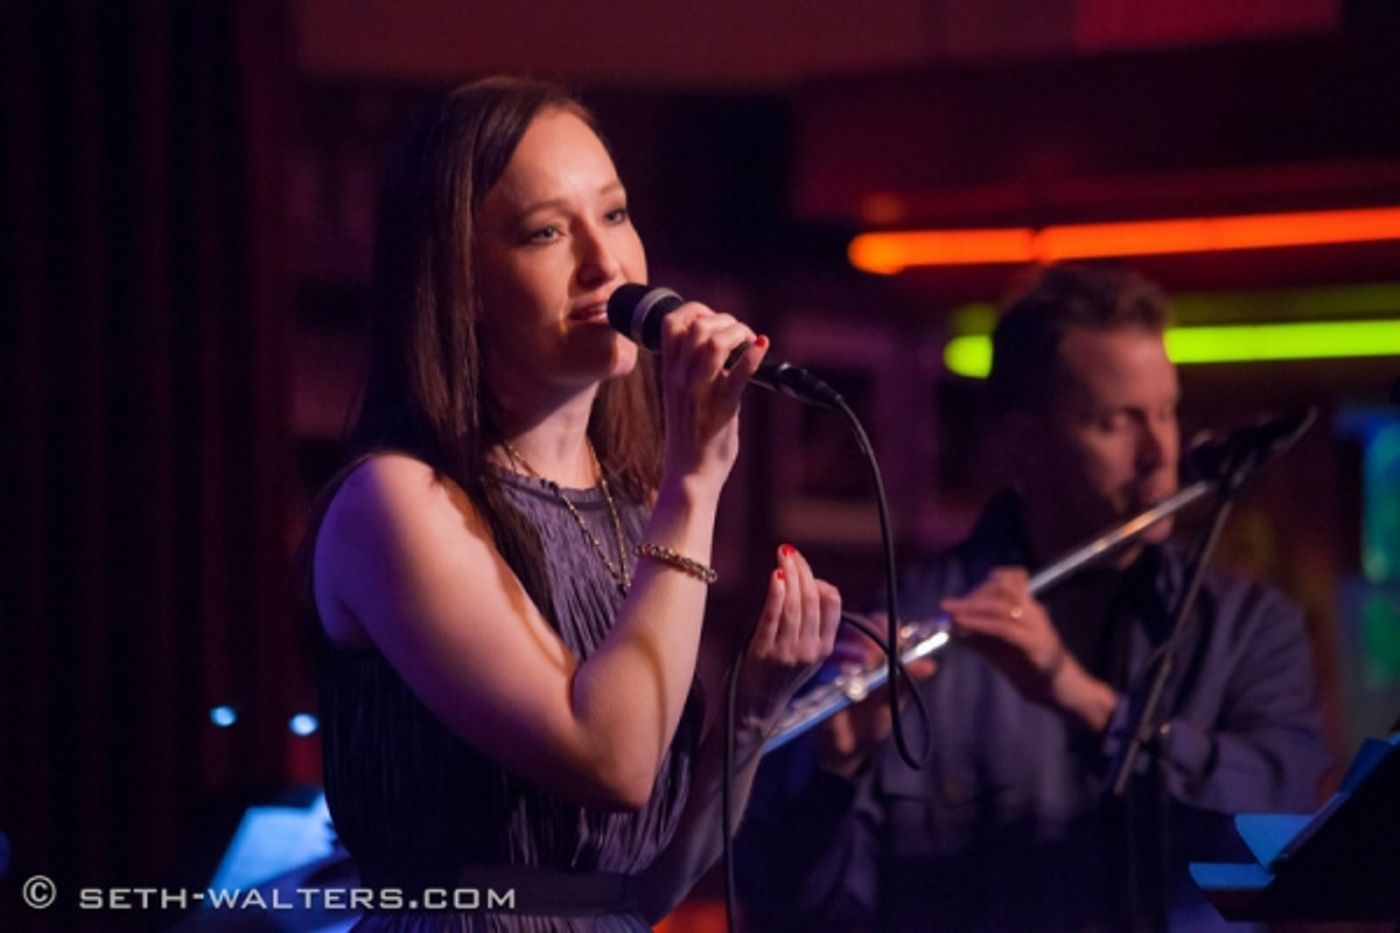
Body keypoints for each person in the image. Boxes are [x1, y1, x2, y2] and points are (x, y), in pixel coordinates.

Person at [301, 76, 840, 931]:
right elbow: (612, 760)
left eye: (617, 215)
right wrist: (695, 480)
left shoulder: (624, 511)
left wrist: (753, 708)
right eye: (547, 232)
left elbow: (635, 889)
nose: (608, 265)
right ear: (462, 283)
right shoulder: (395, 503)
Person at [737, 264, 1331, 931]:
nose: (1160, 453)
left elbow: (1285, 824)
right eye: (1117, 422)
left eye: (1166, 410)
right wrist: (833, 770)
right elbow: (800, 911)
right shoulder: (912, 625)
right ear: (1026, 442)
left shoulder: (1249, 628)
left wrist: (1087, 701)